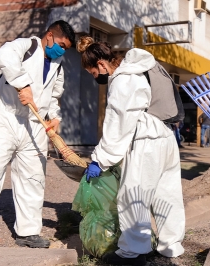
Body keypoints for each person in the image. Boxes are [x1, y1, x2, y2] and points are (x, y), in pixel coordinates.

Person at [0, 20, 75, 251]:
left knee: (33, 179)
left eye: (66, 48)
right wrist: (23, 85)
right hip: (5, 120)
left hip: (34, 125)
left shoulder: (58, 64)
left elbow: (53, 97)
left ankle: (28, 233)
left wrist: (55, 118)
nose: (61, 50)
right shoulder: (25, 46)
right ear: (49, 35)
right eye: (60, 44)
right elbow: (2, 57)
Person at [77, 37, 185, 265]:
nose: (97, 79)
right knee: (167, 194)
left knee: (133, 195)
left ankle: (133, 253)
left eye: (94, 74)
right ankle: (170, 247)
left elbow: (119, 123)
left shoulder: (124, 79)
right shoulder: (146, 67)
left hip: (145, 139)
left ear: (102, 65)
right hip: (166, 137)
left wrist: (100, 159)